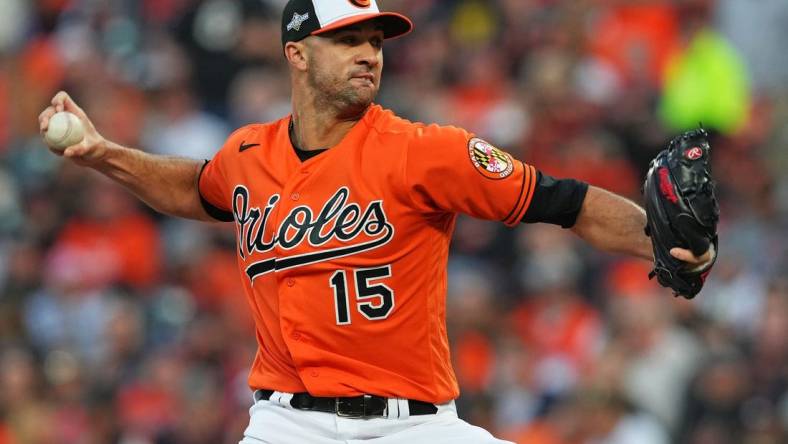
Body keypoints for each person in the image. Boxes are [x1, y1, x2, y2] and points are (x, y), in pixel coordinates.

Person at [38, 1, 713, 442]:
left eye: (376, 41)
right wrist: (104, 155)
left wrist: (665, 242)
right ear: (297, 53)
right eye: (348, 40)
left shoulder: (425, 151)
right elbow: (197, 189)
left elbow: (565, 202)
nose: (370, 53)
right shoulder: (247, 155)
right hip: (287, 424)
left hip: (414, 427)